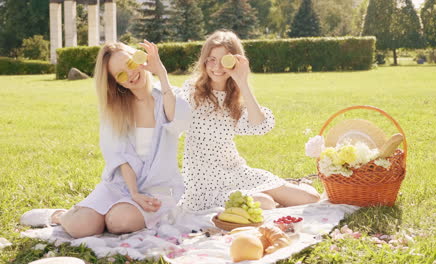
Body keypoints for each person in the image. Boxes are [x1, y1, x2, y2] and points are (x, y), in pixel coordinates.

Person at [20, 41, 191, 238]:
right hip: (121, 185)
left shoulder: (168, 95)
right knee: (81, 227)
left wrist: (161, 72)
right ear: (115, 82)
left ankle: (111, 214)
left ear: (139, 58)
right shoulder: (116, 109)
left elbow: (180, 120)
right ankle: (59, 216)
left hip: (159, 190)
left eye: (131, 64)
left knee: (119, 221)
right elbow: (119, 155)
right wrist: (134, 193)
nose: (131, 74)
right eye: (120, 74)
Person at [179, 30, 320, 211]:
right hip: (205, 184)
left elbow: (260, 125)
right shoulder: (191, 93)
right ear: (204, 61)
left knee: (311, 198)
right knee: (265, 203)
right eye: (211, 59)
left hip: (236, 172)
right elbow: (169, 119)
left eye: (224, 61)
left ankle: (290, 186)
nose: (217, 67)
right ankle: (266, 195)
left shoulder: (234, 98)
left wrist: (242, 80)